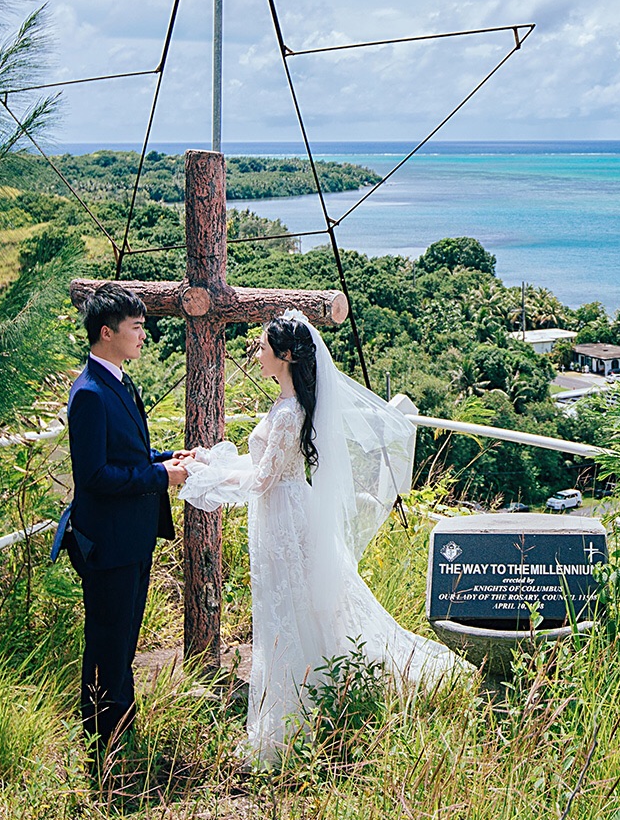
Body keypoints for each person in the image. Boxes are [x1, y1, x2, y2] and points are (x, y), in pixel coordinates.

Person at [181, 311, 467, 761]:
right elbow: (266, 470)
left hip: (284, 519)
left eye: (261, 347)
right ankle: (312, 702)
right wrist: (210, 461)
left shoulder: (289, 411)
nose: (256, 355)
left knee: (291, 608)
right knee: (290, 606)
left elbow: (262, 481)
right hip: (286, 511)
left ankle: (294, 719)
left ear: (286, 355)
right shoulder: (285, 406)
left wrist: (203, 475)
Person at [63, 285, 191, 747]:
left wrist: (165, 457)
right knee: (107, 640)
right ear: (106, 332)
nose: (143, 336)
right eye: (136, 328)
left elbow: (128, 453)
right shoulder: (90, 394)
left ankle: (122, 728)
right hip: (109, 542)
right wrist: (161, 477)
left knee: (123, 639)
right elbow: (95, 475)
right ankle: (103, 740)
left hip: (131, 538)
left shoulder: (118, 379)